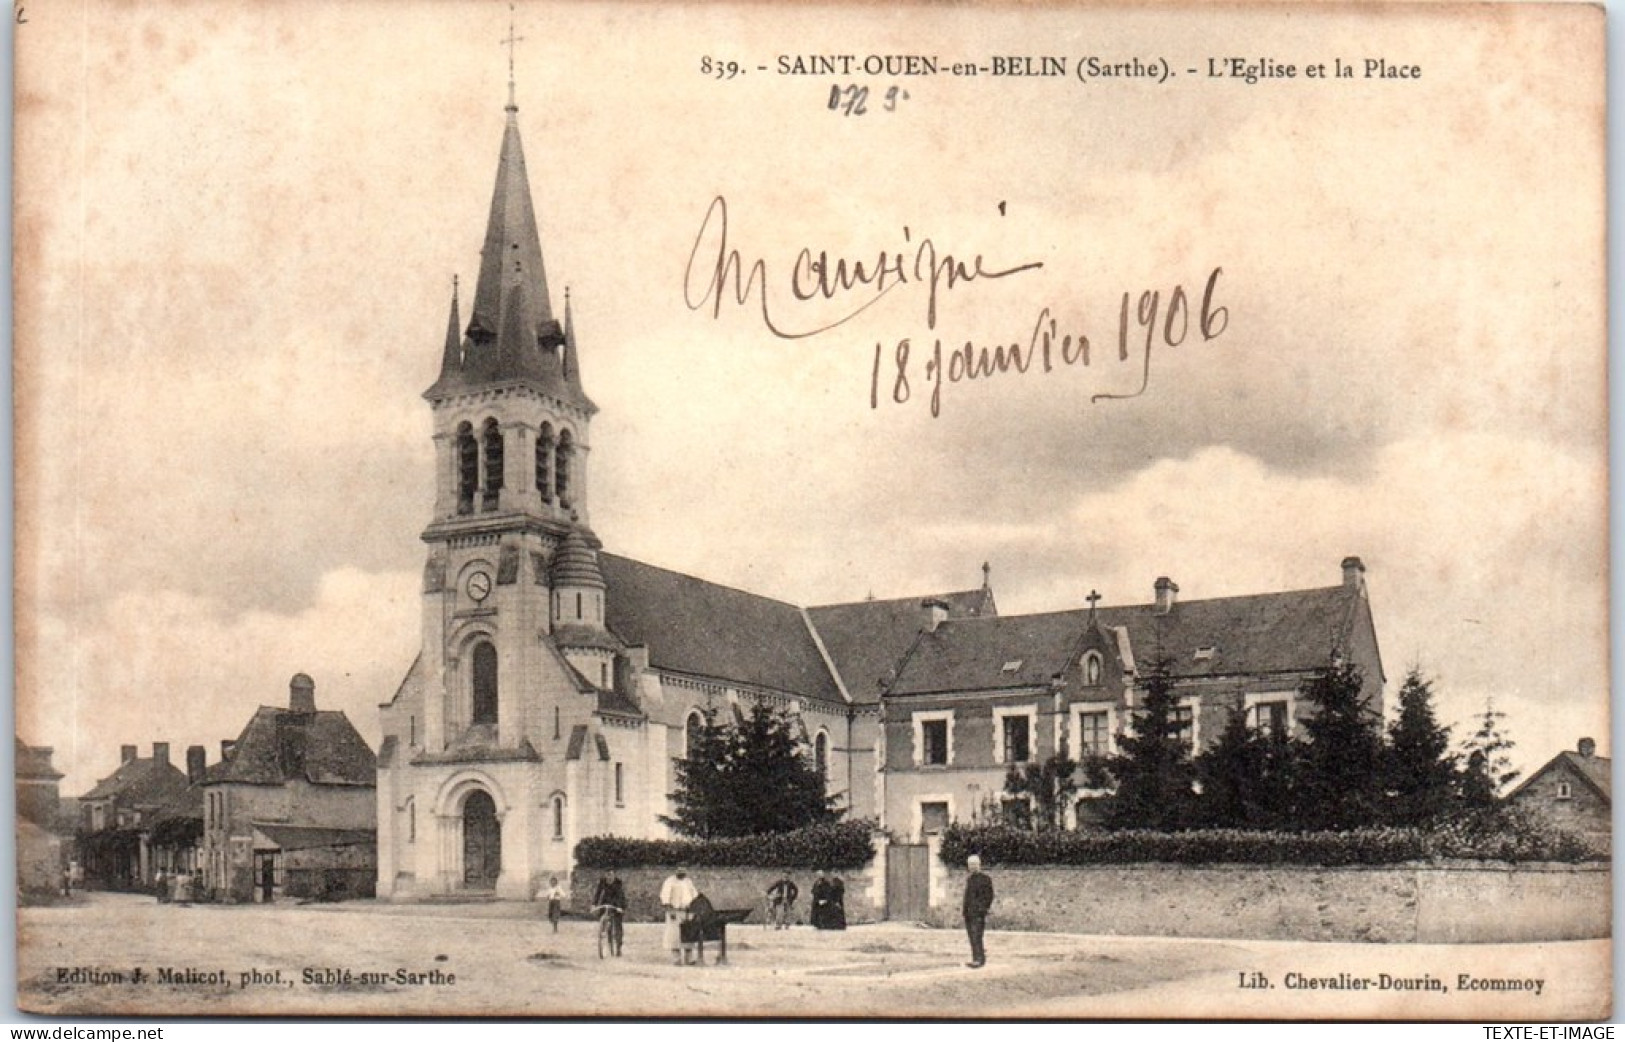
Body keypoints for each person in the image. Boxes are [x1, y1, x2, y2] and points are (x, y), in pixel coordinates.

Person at [659, 866, 699, 965]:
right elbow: (665, 897)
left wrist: (694, 907)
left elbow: (694, 895)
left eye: (684, 869)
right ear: (675, 870)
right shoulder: (669, 881)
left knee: (689, 933)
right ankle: (676, 958)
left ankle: (689, 958)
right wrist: (670, 909)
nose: (682, 871)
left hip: (687, 911)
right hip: (675, 911)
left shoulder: (688, 882)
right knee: (675, 935)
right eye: (679, 869)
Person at [962, 854, 994, 968]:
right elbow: (967, 897)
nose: (972, 867)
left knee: (977, 935)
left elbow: (989, 896)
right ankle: (976, 957)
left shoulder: (985, 879)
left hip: (978, 913)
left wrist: (983, 909)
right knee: (972, 935)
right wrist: (965, 911)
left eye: (974, 864)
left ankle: (979, 959)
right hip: (969, 913)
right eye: (970, 865)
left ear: (979, 865)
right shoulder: (970, 879)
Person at [591, 868, 627, 956]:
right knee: (603, 918)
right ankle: (603, 932)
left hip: (617, 903)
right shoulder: (602, 882)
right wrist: (594, 904)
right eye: (607, 875)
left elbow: (620, 895)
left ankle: (618, 947)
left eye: (611, 875)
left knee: (618, 924)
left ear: (614, 875)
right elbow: (598, 893)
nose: (609, 877)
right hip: (606, 901)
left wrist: (619, 907)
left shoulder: (618, 883)